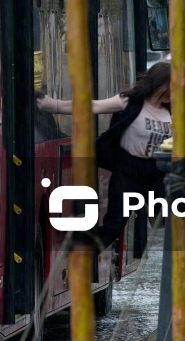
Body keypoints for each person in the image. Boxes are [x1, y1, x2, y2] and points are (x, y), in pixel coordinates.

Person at [37, 63, 171, 254]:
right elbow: (91, 106)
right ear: (158, 83)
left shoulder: (173, 111)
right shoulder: (130, 102)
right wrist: (52, 105)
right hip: (128, 171)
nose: (173, 93)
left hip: (157, 171)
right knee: (113, 227)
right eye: (171, 87)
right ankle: (79, 251)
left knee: (172, 220)